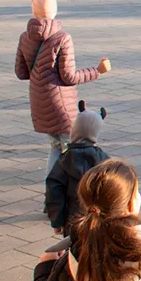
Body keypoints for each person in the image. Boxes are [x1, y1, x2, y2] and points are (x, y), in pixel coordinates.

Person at [15, 0, 111, 174]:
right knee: (76, 149)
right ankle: (72, 192)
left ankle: (52, 191)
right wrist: (97, 71)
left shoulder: (25, 37)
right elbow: (69, 77)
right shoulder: (62, 38)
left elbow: (21, 72)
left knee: (55, 147)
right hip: (61, 104)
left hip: (39, 102)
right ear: (55, 10)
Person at [44, 101, 110, 237]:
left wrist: (57, 221)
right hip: (99, 222)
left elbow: (54, 193)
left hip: (72, 221)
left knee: (74, 251)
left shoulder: (64, 160)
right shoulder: (105, 161)